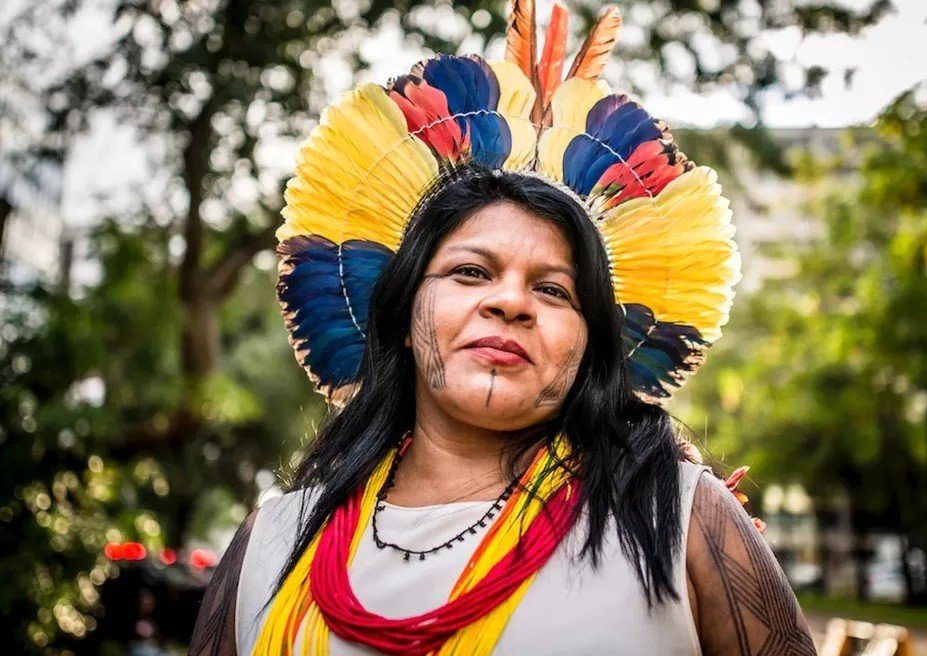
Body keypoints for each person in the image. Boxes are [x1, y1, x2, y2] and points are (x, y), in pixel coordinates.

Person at [190, 1, 817, 654]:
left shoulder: (682, 520)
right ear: (404, 315)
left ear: (588, 345)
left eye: (552, 289)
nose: (511, 303)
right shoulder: (271, 544)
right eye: (470, 273)